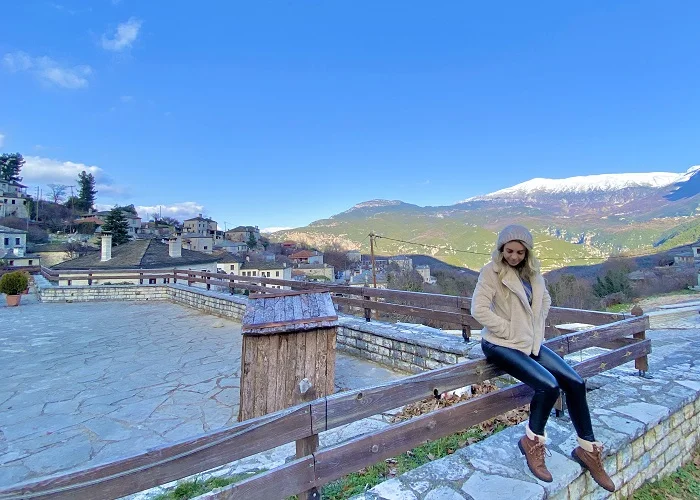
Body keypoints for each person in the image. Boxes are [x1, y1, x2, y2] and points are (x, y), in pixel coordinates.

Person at [471, 224, 615, 492]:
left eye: (520, 252)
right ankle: (532, 442)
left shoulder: (534, 274)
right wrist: (509, 330)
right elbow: (478, 309)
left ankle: (588, 449)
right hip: (499, 343)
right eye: (509, 251)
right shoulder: (491, 272)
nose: (514, 257)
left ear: (527, 253)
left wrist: (533, 330)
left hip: (529, 342)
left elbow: (545, 301)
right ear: (501, 249)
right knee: (548, 385)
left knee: (575, 382)